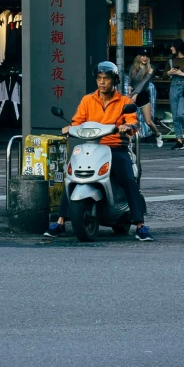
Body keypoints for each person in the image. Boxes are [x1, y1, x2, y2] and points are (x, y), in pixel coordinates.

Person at [61, 61, 150, 241]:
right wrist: (69, 128)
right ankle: (61, 221)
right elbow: (77, 121)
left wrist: (127, 126)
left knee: (128, 179)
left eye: (106, 79)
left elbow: (133, 121)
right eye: (99, 79)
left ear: (114, 81)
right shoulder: (87, 100)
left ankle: (140, 224)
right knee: (71, 176)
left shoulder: (124, 101)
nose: (102, 82)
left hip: (115, 147)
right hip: (91, 146)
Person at [165, 45, 184, 136]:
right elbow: (164, 77)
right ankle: (179, 140)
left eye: (173, 46)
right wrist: (169, 72)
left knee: (181, 114)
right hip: (173, 88)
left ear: (178, 47)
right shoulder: (170, 61)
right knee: (175, 116)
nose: (171, 48)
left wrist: (182, 74)